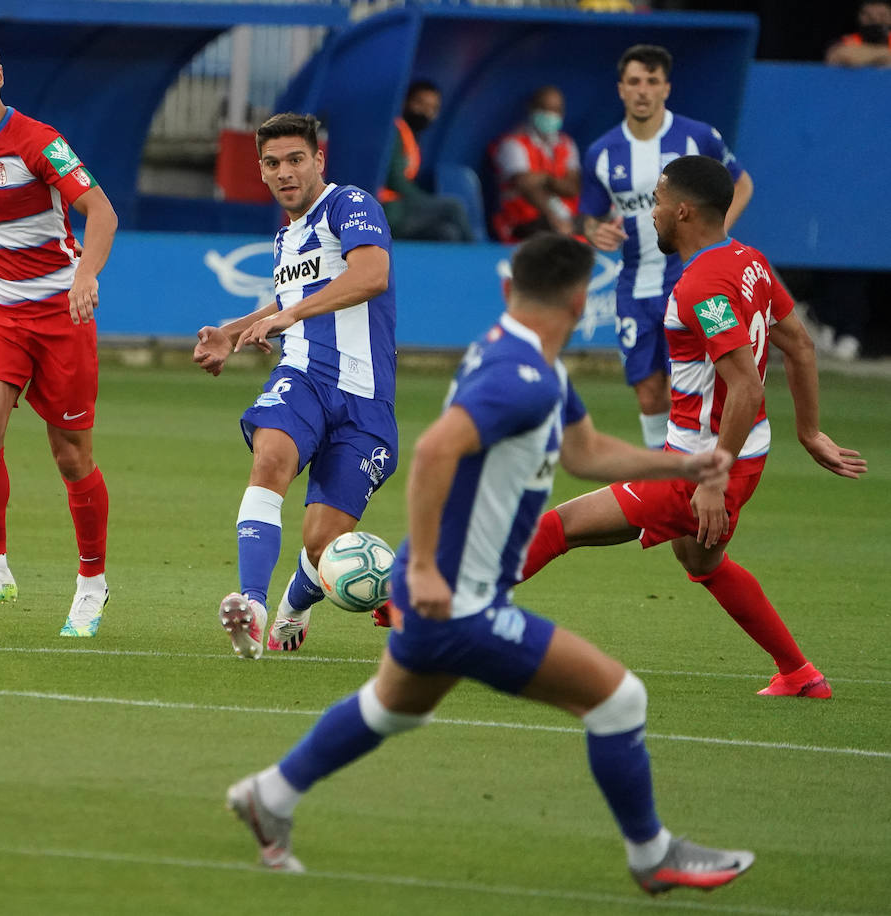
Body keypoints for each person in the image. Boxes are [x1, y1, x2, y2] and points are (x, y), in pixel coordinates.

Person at [226, 233, 756, 895]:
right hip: (460, 603)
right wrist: (421, 573)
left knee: (390, 709)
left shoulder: (523, 359)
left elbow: (585, 452)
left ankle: (269, 795)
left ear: (509, 291)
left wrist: (680, 464)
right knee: (621, 700)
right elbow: (433, 454)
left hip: (444, 596)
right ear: (576, 299)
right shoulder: (522, 377)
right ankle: (652, 856)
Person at [521, 156, 867, 698]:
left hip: (702, 465)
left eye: (658, 200)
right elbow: (797, 343)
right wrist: (809, 432)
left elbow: (748, 384)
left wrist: (710, 481)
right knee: (701, 560)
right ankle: (799, 673)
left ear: (682, 210)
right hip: (741, 452)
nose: (651, 212)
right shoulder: (748, 260)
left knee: (561, 526)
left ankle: (421, 614)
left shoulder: (699, 287)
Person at [194, 112, 398, 658]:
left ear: (318, 161)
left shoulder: (349, 205)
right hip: (304, 375)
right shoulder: (286, 234)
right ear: (260, 170)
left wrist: (289, 315)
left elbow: (371, 274)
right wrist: (233, 332)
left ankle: (293, 608)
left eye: (295, 159)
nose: (284, 172)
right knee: (271, 456)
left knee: (322, 542)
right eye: (272, 163)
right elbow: (291, 302)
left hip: (365, 397)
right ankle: (253, 607)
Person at [0, 30, 118, 637]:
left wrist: (84, 276)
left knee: (72, 460)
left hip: (60, 314)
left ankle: (91, 585)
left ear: (0, 76)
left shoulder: (40, 142)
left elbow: (102, 211)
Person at [579, 44, 754, 449]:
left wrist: (715, 233)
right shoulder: (601, 153)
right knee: (648, 394)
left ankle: (700, 471)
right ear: (621, 89)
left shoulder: (698, 137)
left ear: (666, 88)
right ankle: (665, 480)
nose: (643, 91)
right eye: (635, 81)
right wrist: (594, 231)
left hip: (692, 281)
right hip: (635, 286)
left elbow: (741, 184)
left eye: (652, 82)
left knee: (692, 386)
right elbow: (590, 214)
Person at [378, 81, 475, 242]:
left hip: (401, 208)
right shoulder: (394, 131)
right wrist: (425, 200)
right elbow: (395, 181)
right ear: (405, 103)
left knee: (447, 233)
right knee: (453, 207)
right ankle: (478, 258)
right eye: (419, 104)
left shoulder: (411, 136)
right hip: (388, 210)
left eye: (432, 108)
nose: (425, 112)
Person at [489, 85, 581, 243]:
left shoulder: (566, 144)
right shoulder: (513, 143)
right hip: (524, 221)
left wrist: (546, 179)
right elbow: (525, 185)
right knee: (555, 232)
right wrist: (553, 216)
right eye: (545, 109)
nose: (550, 115)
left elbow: (573, 187)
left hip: (567, 218)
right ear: (532, 109)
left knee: (605, 223)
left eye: (556, 110)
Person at [825, 1, 891, 68]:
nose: (876, 20)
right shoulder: (847, 41)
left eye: (883, 16)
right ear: (859, 17)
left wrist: (860, 54)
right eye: (869, 17)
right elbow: (834, 58)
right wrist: (884, 55)